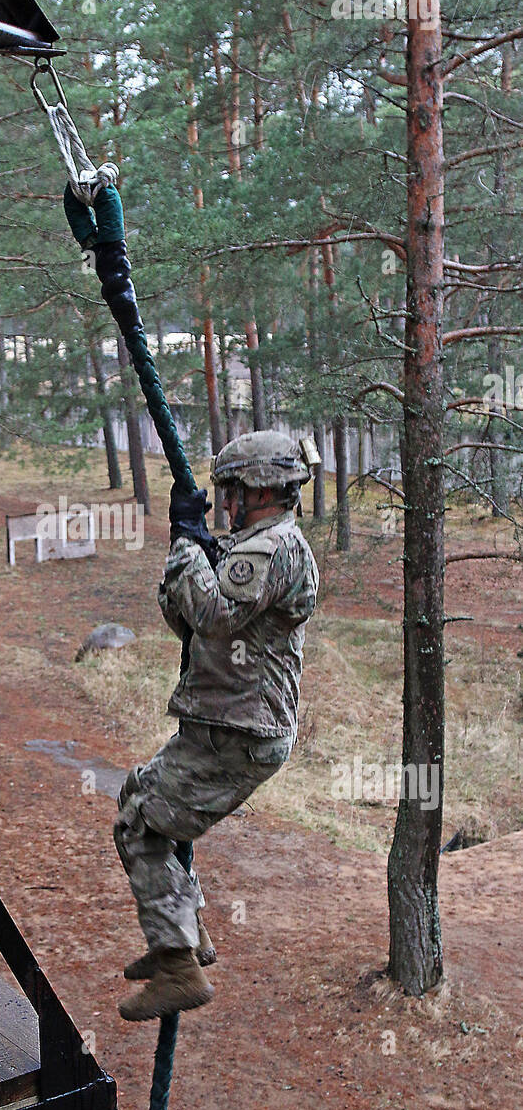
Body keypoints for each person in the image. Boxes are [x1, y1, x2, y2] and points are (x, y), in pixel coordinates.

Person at [114, 430, 320, 1021]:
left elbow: (210, 614)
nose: (225, 502)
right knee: (137, 795)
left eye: (231, 490)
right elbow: (191, 622)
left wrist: (185, 546)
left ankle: (177, 961)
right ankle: (184, 933)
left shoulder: (274, 547)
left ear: (260, 489)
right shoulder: (256, 545)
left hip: (240, 733)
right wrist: (195, 558)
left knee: (138, 824)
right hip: (224, 726)